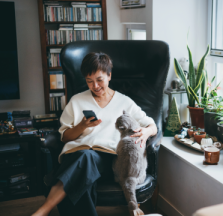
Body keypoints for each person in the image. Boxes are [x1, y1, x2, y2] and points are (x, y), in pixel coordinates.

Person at [32, 52, 157, 216]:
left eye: (99, 80)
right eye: (89, 81)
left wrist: (146, 132)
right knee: (85, 171)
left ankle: (43, 210)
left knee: (87, 159)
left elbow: (151, 124)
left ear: (109, 75)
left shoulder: (124, 102)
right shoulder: (77, 101)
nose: (95, 86)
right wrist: (82, 125)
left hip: (107, 159)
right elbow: (65, 136)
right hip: (75, 155)